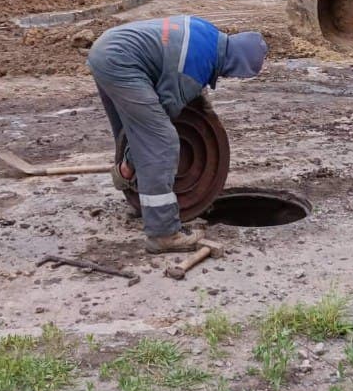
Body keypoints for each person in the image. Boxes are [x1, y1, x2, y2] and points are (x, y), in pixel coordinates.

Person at [87, 17, 267, 253]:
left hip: (110, 49)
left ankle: (140, 194)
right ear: (236, 61)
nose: (231, 76)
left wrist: (204, 108)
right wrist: (131, 161)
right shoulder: (196, 64)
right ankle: (163, 233)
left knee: (132, 129)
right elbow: (170, 107)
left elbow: (185, 75)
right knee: (161, 142)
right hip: (122, 62)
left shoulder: (208, 36)